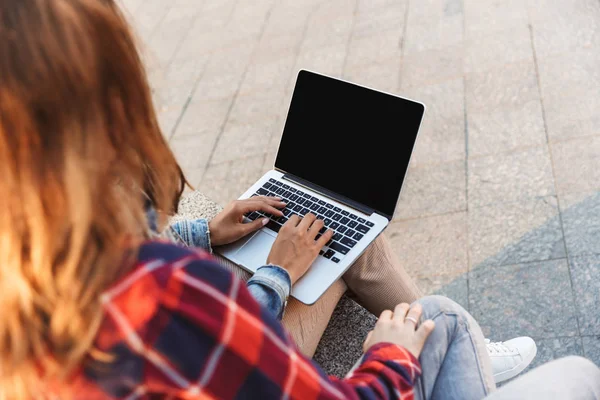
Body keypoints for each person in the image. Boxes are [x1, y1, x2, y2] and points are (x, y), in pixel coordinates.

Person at [4, 0, 597, 398]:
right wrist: (287, 279)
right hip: (261, 323)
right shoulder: (160, 298)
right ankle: (476, 357)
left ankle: (460, 337)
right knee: (439, 320)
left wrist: (204, 233)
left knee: (339, 234)